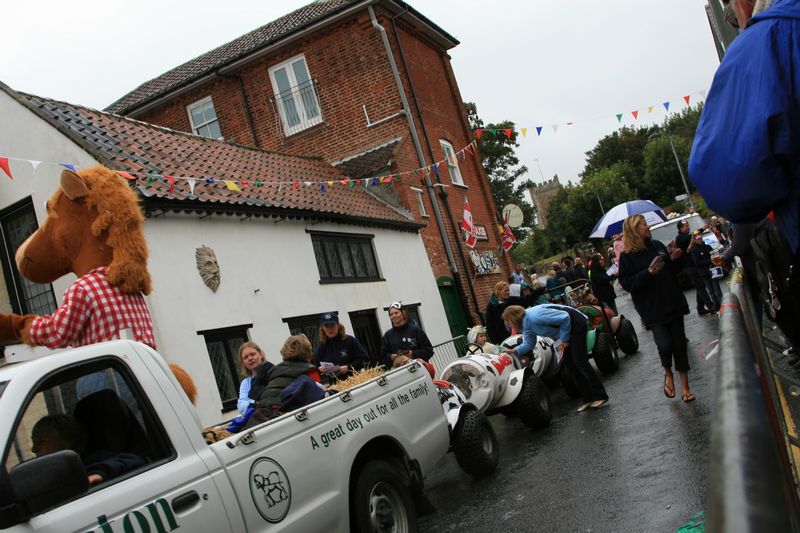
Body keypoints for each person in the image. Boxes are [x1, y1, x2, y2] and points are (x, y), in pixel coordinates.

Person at [689, 0, 799, 256]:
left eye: (732, 17)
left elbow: (730, 186)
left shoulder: (764, 41)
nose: (737, 24)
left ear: (743, 4)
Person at [618, 215, 696, 403]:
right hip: (652, 308)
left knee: (679, 345)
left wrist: (676, 258)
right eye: (643, 224)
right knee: (665, 345)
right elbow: (627, 283)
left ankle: (685, 388)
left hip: (672, 301)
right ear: (634, 230)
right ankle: (668, 373)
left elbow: (671, 270)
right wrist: (648, 273)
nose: (647, 226)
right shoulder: (627, 257)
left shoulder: (658, 246)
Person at [501, 304, 609, 412]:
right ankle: (588, 399)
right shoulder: (526, 325)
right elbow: (529, 343)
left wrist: (565, 338)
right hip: (562, 334)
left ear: (513, 318)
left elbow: (565, 317)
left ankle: (600, 396)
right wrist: (514, 350)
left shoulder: (535, 316)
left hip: (575, 324)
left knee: (580, 362)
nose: (508, 325)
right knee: (570, 366)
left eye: (508, 321)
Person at [31, 414, 145, 486]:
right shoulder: (48, 477)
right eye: (33, 442)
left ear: (67, 441)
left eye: (41, 442)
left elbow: (134, 461)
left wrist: (99, 473)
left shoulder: (95, 460)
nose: (34, 449)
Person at [251, 335, 324, 423]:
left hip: (263, 413)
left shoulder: (274, 370)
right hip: (285, 415)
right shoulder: (309, 370)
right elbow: (319, 399)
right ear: (308, 352)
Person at [314, 311, 370, 383]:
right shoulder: (321, 347)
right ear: (322, 328)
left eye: (332, 325)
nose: (329, 329)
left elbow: (365, 359)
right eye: (326, 326)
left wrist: (348, 367)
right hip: (335, 386)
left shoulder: (350, 340)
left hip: (355, 382)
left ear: (337, 325)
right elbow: (317, 367)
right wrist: (320, 369)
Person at [675, 219, 716, 315]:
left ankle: (700, 308)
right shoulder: (680, 238)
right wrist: (702, 228)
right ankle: (711, 306)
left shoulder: (687, 237)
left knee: (700, 286)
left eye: (688, 225)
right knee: (700, 286)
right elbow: (693, 235)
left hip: (694, 265)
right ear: (680, 228)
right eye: (686, 226)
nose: (688, 227)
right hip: (688, 266)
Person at [380, 302, 434, 368]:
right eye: (391, 314)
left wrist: (412, 353)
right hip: (400, 373)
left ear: (403, 312)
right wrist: (391, 357)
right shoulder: (387, 336)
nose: (394, 316)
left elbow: (429, 351)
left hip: (420, 369)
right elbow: (383, 359)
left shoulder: (416, 330)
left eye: (396, 313)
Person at [689, 230, 723, 312]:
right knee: (711, 291)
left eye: (700, 236)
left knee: (717, 288)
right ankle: (716, 306)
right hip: (704, 273)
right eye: (697, 237)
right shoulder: (694, 250)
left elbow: (714, 255)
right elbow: (697, 262)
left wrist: (716, 260)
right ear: (694, 239)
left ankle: (722, 304)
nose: (699, 239)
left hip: (713, 270)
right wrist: (710, 260)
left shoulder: (707, 247)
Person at [236, 341, 269, 415]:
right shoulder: (245, 383)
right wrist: (256, 402)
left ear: (261, 354)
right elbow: (241, 407)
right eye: (245, 357)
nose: (250, 358)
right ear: (243, 362)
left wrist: (252, 404)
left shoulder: (273, 372)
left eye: (252, 354)